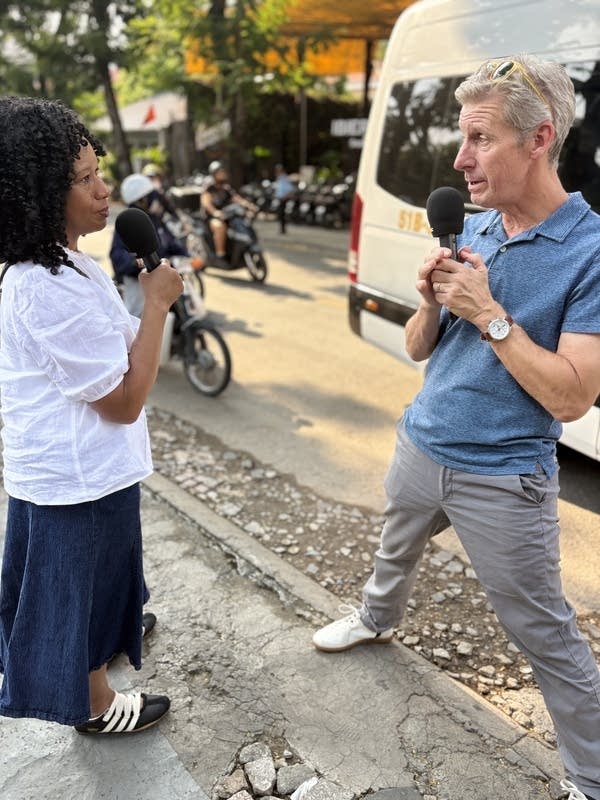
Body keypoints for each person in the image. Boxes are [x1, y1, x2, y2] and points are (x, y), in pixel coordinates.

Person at [312, 56, 600, 800]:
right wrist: (435, 304)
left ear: (538, 140)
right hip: (423, 439)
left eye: (479, 138)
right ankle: (376, 619)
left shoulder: (591, 252)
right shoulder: (470, 223)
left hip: (503, 476)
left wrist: (487, 312)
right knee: (394, 542)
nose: (458, 157)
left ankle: (592, 777)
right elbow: (416, 349)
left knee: (544, 633)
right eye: (461, 136)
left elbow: (571, 400)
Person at [0, 97, 184, 735]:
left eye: (97, 170)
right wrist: (157, 305)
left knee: (105, 577)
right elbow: (125, 398)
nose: (104, 190)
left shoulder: (67, 260)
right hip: (70, 483)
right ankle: (95, 704)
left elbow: (117, 350)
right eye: (83, 180)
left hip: (92, 470)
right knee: (70, 596)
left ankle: (107, 639)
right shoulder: (41, 286)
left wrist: (146, 313)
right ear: (38, 192)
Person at [111, 172, 187, 316]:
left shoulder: (154, 218)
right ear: (142, 199)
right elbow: (117, 255)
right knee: (140, 318)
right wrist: (136, 263)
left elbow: (167, 240)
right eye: (152, 194)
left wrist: (184, 252)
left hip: (163, 275)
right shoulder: (129, 223)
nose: (156, 198)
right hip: (139, 281)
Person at [200, 161, 256, 263]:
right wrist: (215, 212)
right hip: (213, 218)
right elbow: (206, 203)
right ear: (214, 174)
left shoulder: (226, 188)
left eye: (223, 172)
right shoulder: (209, 188)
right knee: (220, 227)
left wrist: (249, 206)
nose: (222, 174)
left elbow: (237, 199)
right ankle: (220, 254)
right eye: (220, 172)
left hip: (227, 215)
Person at [273, 164, 295, 234]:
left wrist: (285, 197)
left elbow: (290, 189)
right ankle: (282, 229)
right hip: (280, 198)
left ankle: (283, 229)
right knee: (280, 214)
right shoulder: (279, 178)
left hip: (283, 199)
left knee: (282, 214)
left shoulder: (284, 178)